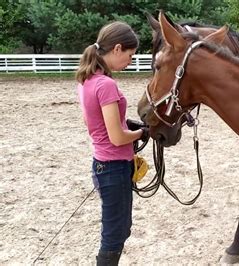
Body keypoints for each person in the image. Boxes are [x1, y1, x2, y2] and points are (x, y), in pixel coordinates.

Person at [75, 21, 148, 266]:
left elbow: (93, 122)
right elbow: (117, 138)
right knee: (114, 235)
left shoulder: (87, 81)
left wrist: (127, 123)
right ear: (117, 49)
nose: (130, 61)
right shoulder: (106, 85)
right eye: (130, 55)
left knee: (119, 229)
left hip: (104, 164)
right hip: (114, 166)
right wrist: (141, 133)